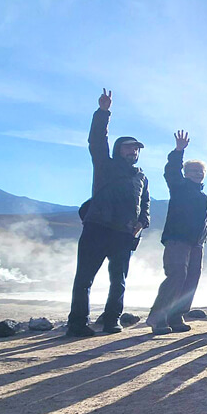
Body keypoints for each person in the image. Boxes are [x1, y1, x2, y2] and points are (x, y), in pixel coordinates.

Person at [67, 89, 150, 338]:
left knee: (119, 281)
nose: (133, 152)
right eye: (128, 148)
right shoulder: (105, 165)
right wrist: (103, 113)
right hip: (97, 227)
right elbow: (96, 140)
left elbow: (145, 203)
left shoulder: (141, 177)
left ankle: (112, 320)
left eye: (136, 149)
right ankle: (77, 324)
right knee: (84, 279)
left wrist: (142, 222)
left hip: (124, 234)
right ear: (118, 150)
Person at [147, 130, 207, 335]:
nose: (197, 174)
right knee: (176, 274)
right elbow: (171, 172)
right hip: (177, 240)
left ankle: (176, 315)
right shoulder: (179, 186)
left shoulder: (203, 197)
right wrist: (178, 151)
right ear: (186, 173)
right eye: (193, 171)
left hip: (196, 243)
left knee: (191, 278)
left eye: (200, 171)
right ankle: (158, 318)